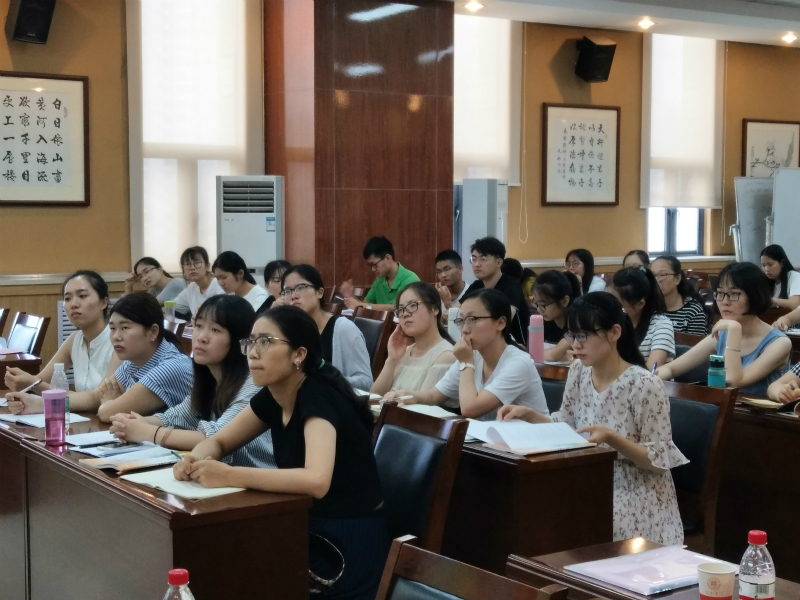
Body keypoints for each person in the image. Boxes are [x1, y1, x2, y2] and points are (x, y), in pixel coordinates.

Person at [173, 305, 388, 600]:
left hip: (344, 541)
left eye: (265, 342)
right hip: (304, 522)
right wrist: (194, 459)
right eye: (250, 342)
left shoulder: (317, 395)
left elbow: (317, 481)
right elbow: (219, 442)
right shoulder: (275, 393)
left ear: (298, 354)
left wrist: (229, 475)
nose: (252, 353)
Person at [498, 292, 688, 545]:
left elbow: (659, 461)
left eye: (584, 336)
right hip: (589, 479)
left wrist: (611, 438)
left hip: (636, 493)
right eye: (572, 335)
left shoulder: (644, 384)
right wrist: (532, 416)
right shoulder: (579, 371)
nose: (575, 345)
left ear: (614, 332)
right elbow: (567, 427)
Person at [108, 295, 275, 468]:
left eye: (215, 330)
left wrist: (149, 432)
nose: (202, 337)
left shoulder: (253, 384)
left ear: (239, 339)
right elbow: (173, 418)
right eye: (199, 326)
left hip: (259, 480)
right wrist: (129, 423)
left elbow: (216, 438)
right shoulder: (210, 381)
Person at [384, 289, 548, 420]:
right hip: (491, 443)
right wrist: (406, 396)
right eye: (461, 320)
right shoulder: (473, 355)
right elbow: (433, 396)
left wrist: (466, 363)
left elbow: (470, 409)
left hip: (532, 446)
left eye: (472, 319)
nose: (464, 329)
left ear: (500, 323)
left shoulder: (518, 363)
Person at [656, 262, 791, 395]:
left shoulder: (779, 343)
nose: (724, 301)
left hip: (755, 410)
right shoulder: (722, 334)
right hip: (723, 407)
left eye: (734, 294)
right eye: (720, 293)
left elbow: (733, 382)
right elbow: (671, 369)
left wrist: (734, 330)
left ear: (754, 296)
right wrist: (650, 378)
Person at [5, 271, 122, 414]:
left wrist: (35, 387)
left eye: (82, 296)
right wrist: (22, 382)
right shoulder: (75, 339)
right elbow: (41, 379)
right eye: (67, 298)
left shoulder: (119, 340)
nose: (73, 304)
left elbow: (99, 397)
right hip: (84, 419)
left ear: (103, 302)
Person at [96, 292, 194, 422]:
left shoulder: (171, 367)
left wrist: (109, 402)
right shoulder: (133, 361)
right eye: (113, 328)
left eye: (124, 327)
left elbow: (106, 413)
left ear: (153, 332)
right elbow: (99, 395)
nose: (116, 337)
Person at [282, 264, 373, 390]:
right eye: (287, 291)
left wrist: (325, 381)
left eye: (300, 287)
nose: (293, 296)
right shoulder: (289, 333)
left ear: (319, 292)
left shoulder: (343, 328)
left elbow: (366, 381)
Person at [371, 282, 456, 405]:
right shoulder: (404, 352)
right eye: (401, 309)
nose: (405, 314)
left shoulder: (446, 356)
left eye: (412, 305)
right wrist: (392, 359)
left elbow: (422, 410)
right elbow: (373, 399)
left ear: (435, 309)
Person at [462, 237, 530, 345]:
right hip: (485, 342)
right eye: (474, 259)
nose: (477, 264)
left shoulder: (511, 286)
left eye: (483, 259)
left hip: (515, 345)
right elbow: (458, 311)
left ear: (498, 262)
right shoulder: (476, 285)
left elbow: (504, 319)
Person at [607, 267, 674, 371]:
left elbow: (650, 371)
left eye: (617, 304)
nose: (610, 308)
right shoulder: (609, 322)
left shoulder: (661, 325)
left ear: (640, 304)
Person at [339, 236, 419, 312]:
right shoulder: (380, 280)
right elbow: (365, 305)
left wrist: (363, 305)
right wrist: (351, 296)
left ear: (388, 258)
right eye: (370, 266)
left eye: (374, 264)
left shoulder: (410, 279)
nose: (373, 269)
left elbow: (397, 308)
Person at [531, 270, 582, 362]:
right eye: (536, 304)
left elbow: (553, 355)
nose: (539, 309)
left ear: (564, 301)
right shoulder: (545, 321)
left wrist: (529, 353)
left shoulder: (577, 323)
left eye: (543, 304)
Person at [650, 255, 709, 335]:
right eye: (652, 276)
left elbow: (698, 343)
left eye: (662, 275)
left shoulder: (692, 311)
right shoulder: (648, 307)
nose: (656, 280)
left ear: (677, 279)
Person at [172, 246, 224, 317]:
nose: (192, 268)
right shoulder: (192, 287)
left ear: (207, 266)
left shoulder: (220, 286)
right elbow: (171, 307)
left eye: (197, 263)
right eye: (188, 264)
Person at [760, 244, 800, 310]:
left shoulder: (795, 277)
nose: (766, 269)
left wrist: (768, 300)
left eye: (770, 264)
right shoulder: (765, 281)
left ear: (782, 263)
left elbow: (795, 304)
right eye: (763, 265)